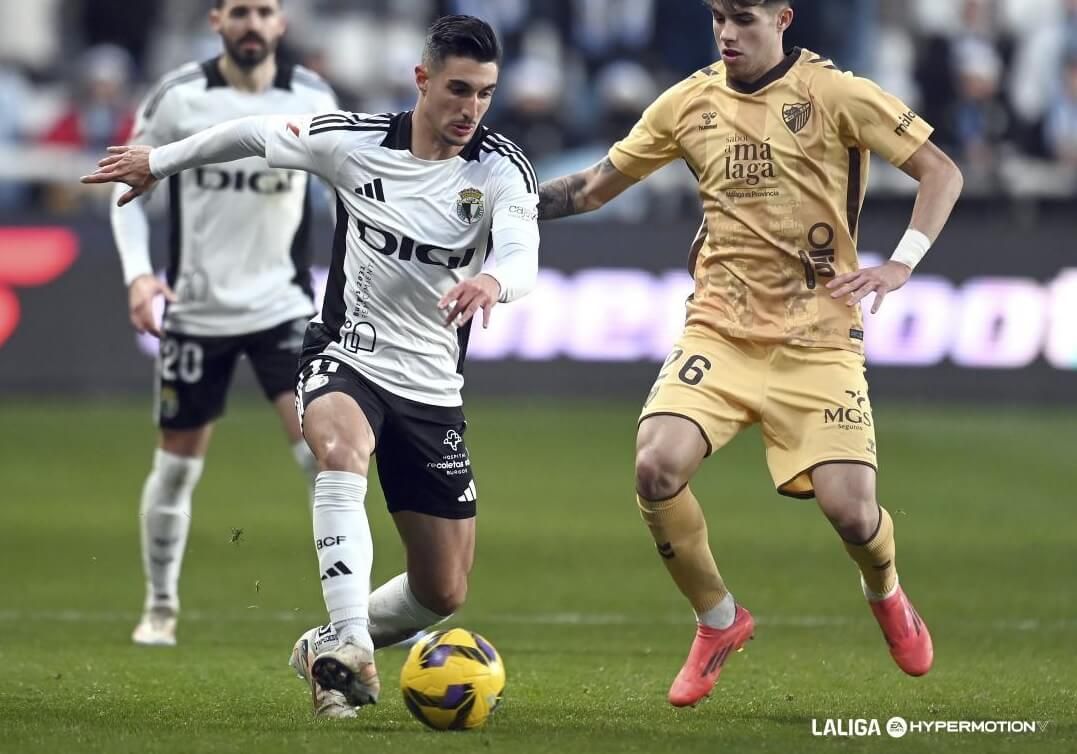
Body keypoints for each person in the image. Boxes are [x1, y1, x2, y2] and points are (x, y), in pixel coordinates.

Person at [83, 15, 539, 719]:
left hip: (431, 386)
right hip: (345, 352)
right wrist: (159, 160)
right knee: (335, 447)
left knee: (442, 590)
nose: (470, 109)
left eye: (484, 93)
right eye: (457, 90)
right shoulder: (354, 143)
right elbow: (255, 133)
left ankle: (319, 644)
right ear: (422, 81)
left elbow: (520, 250)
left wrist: (495, 283)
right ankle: (351, 640)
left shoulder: (500, 165)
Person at [536, 0, 963, 708]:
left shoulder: (836, 94)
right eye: (717, 19)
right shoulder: (688, 103)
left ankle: (885, 590)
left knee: (853, 515)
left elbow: (939, 170)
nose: (727, 34)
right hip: (720, 332)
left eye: (743, 19)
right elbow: (590, 187)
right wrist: (502, 203)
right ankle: (718, 621)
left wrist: (901, 262)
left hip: (818, 340)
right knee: (654, 465)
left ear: (782, 18)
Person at [104, 0, 338, 651]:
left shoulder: (312, 94)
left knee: (324, 458)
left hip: (283, 309)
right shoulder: (178, 96)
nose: (252, 24)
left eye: (264, 11)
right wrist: (137, 274)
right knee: (177, 469)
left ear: (281, 23)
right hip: (196, 312)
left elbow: (348, 190)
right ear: (215, 20)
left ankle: (350, 612)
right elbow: (121, 183)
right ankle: (159, 607)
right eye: (239, 11)